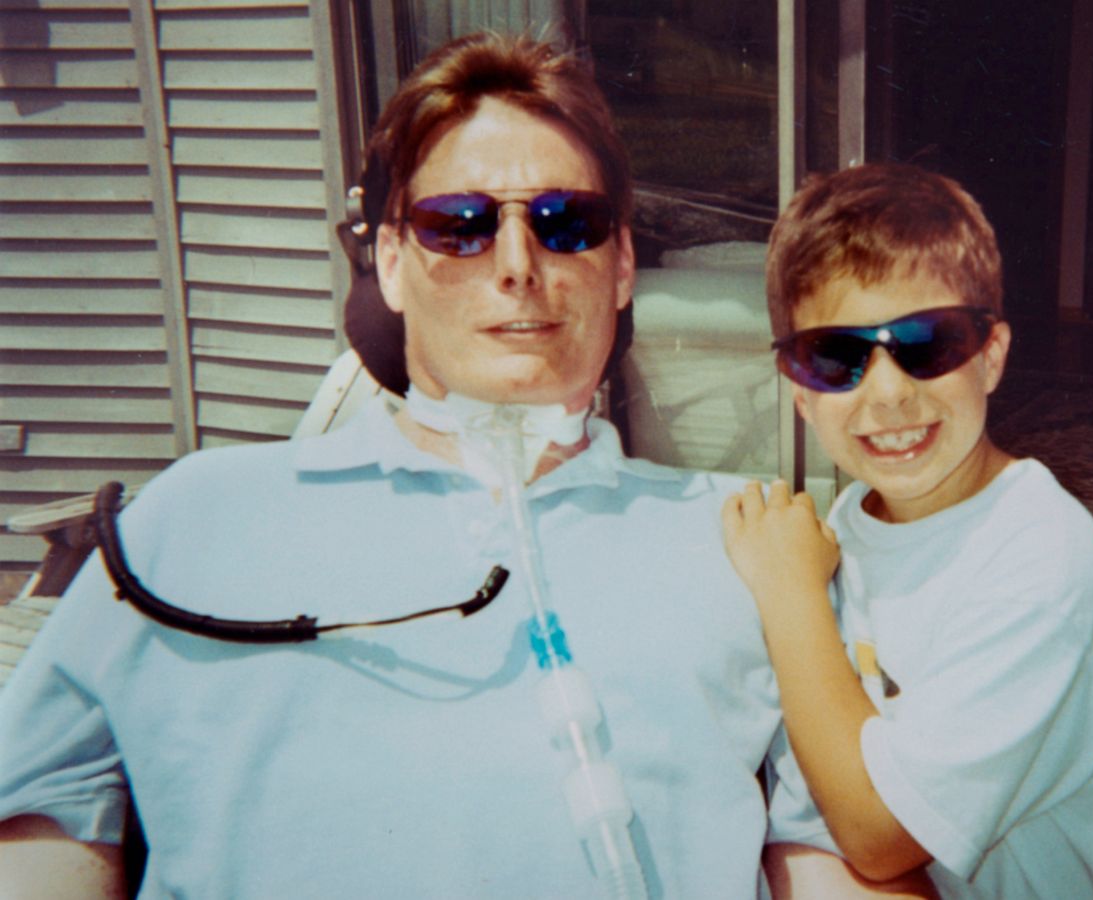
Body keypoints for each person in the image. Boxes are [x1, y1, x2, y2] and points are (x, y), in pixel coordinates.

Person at [0, 33, 909, 899]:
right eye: (460, 225)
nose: (519, 264)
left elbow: (836, 853)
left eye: (567, 223)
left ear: (623, 264)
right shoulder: (194, 518)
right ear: (391, 263)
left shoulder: (753, 542)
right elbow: (41, 818)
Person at [722, 162, 1093, 898]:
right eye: (836, 357)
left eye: (927, 344)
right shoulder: (843, 529)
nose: (887, 393)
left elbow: (881, 836)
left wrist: (790, 594)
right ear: (798, 389)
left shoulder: (1038, 554)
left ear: (992, 355)